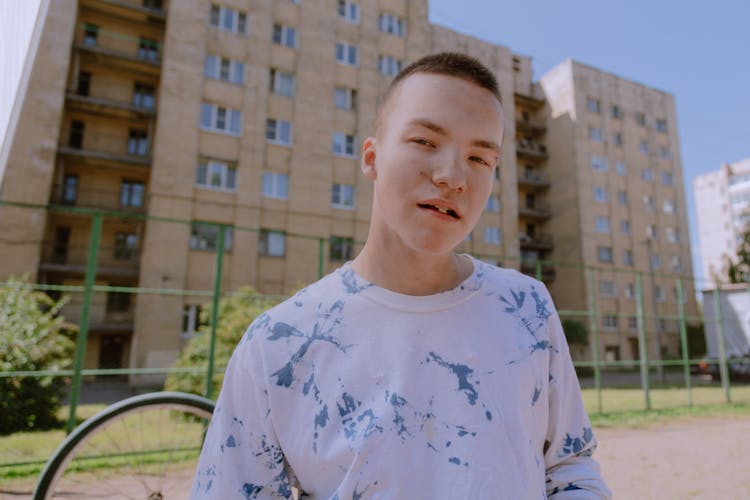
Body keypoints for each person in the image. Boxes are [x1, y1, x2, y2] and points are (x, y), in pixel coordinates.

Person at [192, 52, 611, 499]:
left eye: (478, 157)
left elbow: (570, 468)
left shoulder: (526, 306)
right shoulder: (278, 343)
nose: (453, 177)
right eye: (425, 142)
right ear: (372, 158)